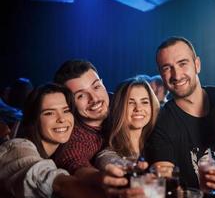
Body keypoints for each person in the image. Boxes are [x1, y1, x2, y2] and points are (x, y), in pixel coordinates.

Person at [53, 60, 145, 196]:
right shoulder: (75, 136)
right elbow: (76, 164)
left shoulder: (122, 102)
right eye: (81, 95)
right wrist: (104, 178)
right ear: (68, 103)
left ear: (102, 83)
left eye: (96, 87)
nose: (94, 99)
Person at [0, 83, 105, 198]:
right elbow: (47, 177)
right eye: (49, 113)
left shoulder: (62, 151)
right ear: (34, 119)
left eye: (66, 110)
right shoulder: (18, 146)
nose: (62, 119)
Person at [145, 37, 215, 188]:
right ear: (161, 75)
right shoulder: (160, 123)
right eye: (167, 68)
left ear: (197, 65)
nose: (177, 75)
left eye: (182, 64)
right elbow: (164, 181)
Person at [95, 77, 159, 170]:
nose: (138, 108)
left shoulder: (159, 144)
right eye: (130, 102)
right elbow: (105, 160)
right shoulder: (108, 153)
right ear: (119, 108)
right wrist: (132, 167)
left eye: (145, 102)